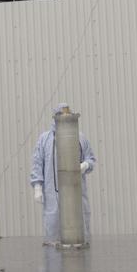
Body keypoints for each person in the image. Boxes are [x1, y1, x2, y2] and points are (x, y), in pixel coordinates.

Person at [29, 103, 96, 243]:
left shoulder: (80, 137)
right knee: (53, 226)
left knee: (78, 227)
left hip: (75, 191)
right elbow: (37, 163)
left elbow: (91, 159)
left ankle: (79, 255)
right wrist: (37, 186)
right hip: (52, 193)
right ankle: (53, 259)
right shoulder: (45, 139)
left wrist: (85, 165)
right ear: (55, 118)